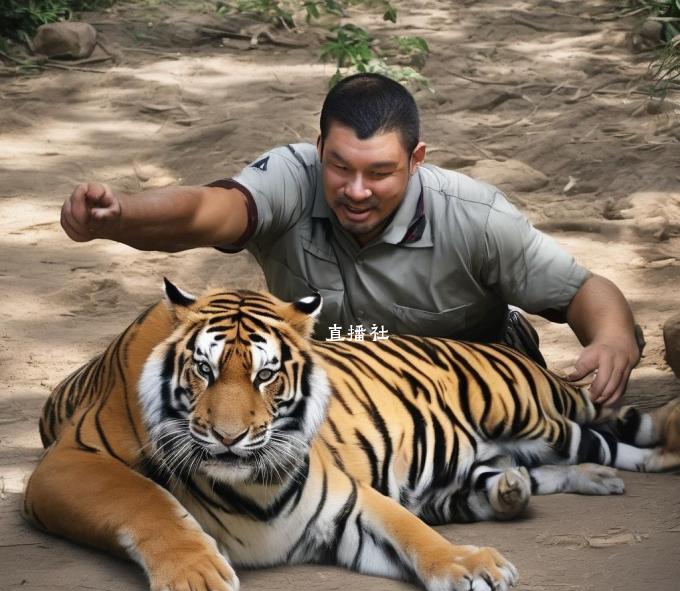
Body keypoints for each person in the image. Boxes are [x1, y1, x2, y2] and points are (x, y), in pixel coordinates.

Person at [60, 73, 641, 406]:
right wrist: (122, 215)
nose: (356, 190)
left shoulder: (476, 217)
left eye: (380, 173)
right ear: (318, 148)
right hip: (338, 386)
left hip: (472, 384)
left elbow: (584, 292)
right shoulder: (289, 177)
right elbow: (205, 211)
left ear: (416, 160)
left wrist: (612, 338)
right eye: (340, 167)